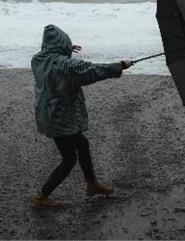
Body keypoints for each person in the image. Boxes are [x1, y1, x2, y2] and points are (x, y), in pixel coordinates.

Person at [31, 24, 133, 209]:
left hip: (49, 114)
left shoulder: (38, 60)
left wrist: (66, 50)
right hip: (60, 118)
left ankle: (92, 184)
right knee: (69, 159)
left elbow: (56, 60)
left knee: (82, 143)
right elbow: (90, 71)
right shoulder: (63, 65)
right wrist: (120, 65)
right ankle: (42, 196)